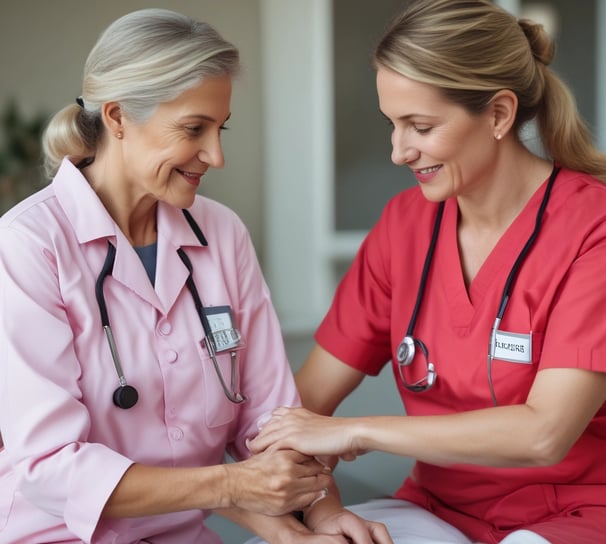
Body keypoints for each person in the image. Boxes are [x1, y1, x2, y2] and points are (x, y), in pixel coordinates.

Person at [0, 9, 391, 544]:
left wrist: (321, 514)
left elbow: (270, 420)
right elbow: (50, 468)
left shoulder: (221, 234)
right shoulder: (28, 245)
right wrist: (232, 485)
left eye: (220, 128)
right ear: (117, 117)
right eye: (193, 129)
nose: (216, 155)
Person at [249, 1, 606, 543]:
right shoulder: (405, 226)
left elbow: (544, 434)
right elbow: (303, 406)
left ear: (499, 115)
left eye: (420, 126)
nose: (398, 151)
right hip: (438, 509)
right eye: (393, 125)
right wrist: (322, 510)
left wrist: (355, 432)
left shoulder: (592, 227)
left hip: (578, 512)